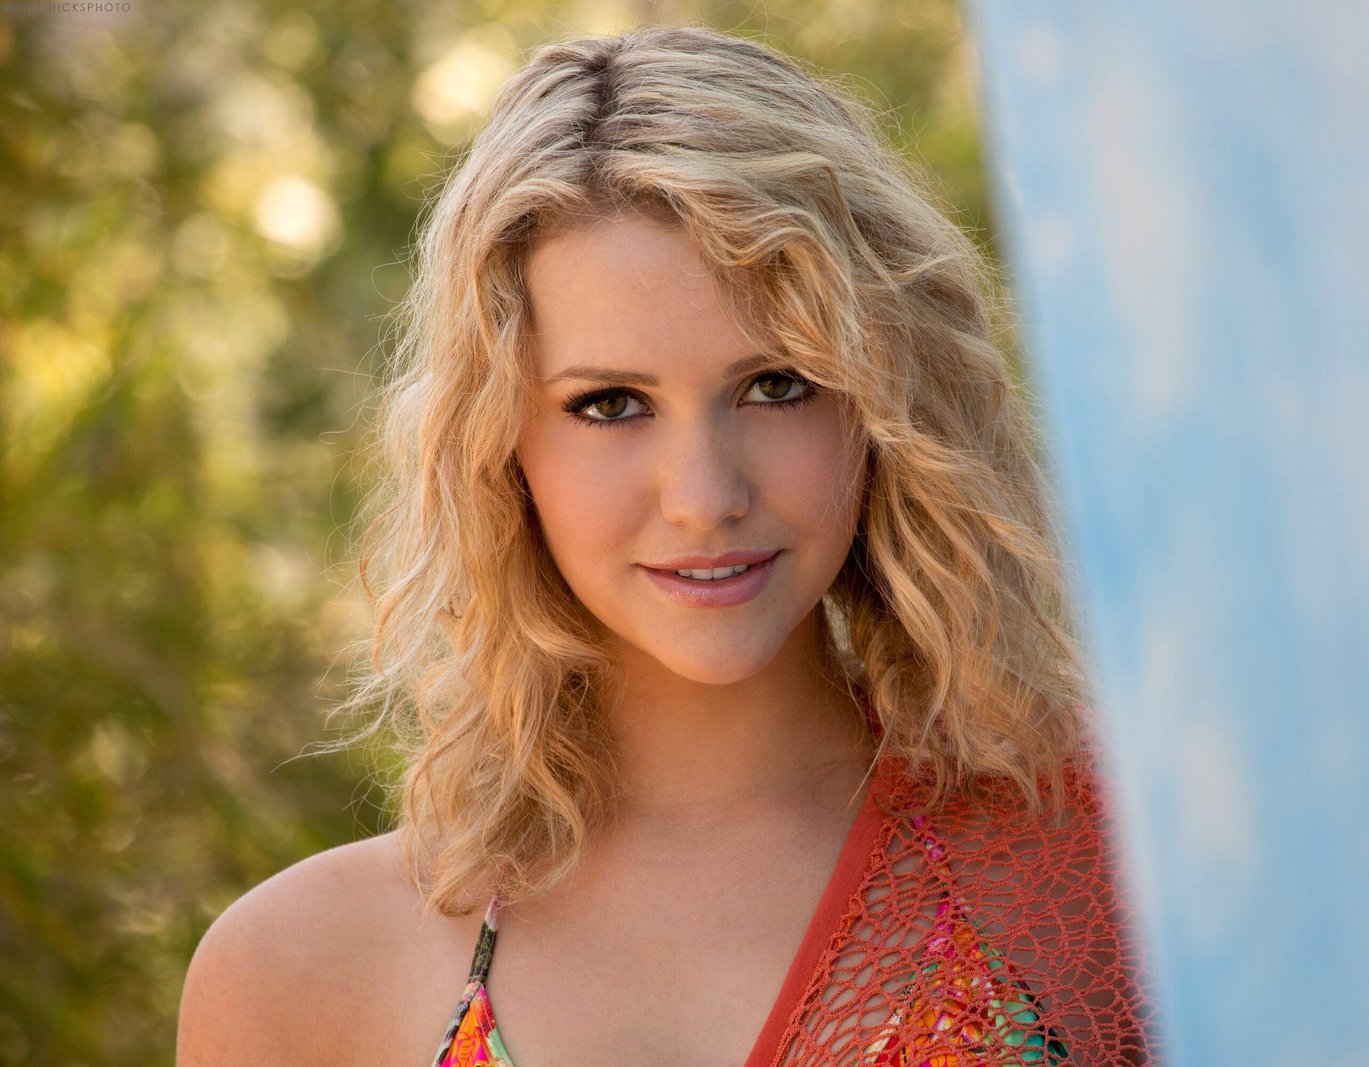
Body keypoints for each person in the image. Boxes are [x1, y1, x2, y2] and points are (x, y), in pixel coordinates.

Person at [177, 24, 1156, 1066]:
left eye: (777, 384)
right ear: (497, 443)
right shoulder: (300, 970)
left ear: (885, 403)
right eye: (610, 404)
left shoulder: (1106, 860)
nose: (704, 498)